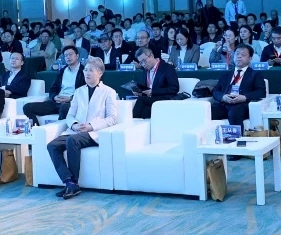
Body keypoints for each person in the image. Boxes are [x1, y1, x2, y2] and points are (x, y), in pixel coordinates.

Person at [46, 57, 118, 200]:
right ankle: (69, 183)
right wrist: (73, 124)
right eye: (85, 70)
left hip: (94, 132)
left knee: (72, 141)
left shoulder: (108, 92)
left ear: (100, 73)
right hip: (76, 130)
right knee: (52, 145)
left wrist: (91, 126)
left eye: (91, 70)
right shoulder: (79, 91)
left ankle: (74, 182)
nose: (87, 73)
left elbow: (112, 118)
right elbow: (70, 114)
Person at [23, 46, 84, 124]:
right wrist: (54, 97)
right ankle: (37, 129)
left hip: (71, 102)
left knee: (65, 108)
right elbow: (53, 88)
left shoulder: (84, 71)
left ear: (77, 56)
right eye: (66, 55)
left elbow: (84, 91)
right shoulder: (62, 71)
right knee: (27, 107)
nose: (68, 57)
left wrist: (70, 99)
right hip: (56, 101)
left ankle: (58, 130)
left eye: (70, 54)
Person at [210, 45, 267, 122]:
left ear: (250, 58)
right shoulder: (226, 74)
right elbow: (215, 91)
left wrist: (244, 97)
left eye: (243, 54)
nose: (239, 56)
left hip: (243, 105)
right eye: (237, 54)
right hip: (225, 104)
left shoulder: (256, 74)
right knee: (207, 111)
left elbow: (261, 92)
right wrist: (223, 97)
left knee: (234, 113)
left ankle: (238, 131)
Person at [131, 47, 180, 119]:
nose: (143, 64)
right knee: (145, 110)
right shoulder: (145, 70)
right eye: (141, 63)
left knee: (141, 100)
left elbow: (174, 88)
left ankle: (132, 122)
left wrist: (153, 92)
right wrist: (140, 92)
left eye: (144, 60)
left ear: (151, 56)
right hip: (151, 100)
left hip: (164, 98)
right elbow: (147, 89)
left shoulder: (167, 68)